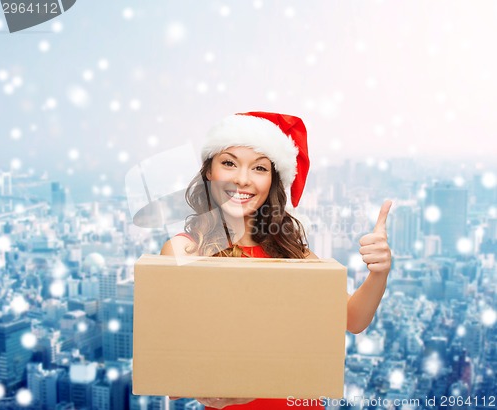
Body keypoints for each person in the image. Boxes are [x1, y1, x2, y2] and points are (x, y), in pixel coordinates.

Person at [160, 111, 393, 410]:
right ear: (209, 171)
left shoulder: (290, 251)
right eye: (229, 163)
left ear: (273, 181)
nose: (242, 179)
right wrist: (234, 387)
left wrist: (379, 272)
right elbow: (173, 368)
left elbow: (353, 319)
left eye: (258, 168)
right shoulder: (184, 251)